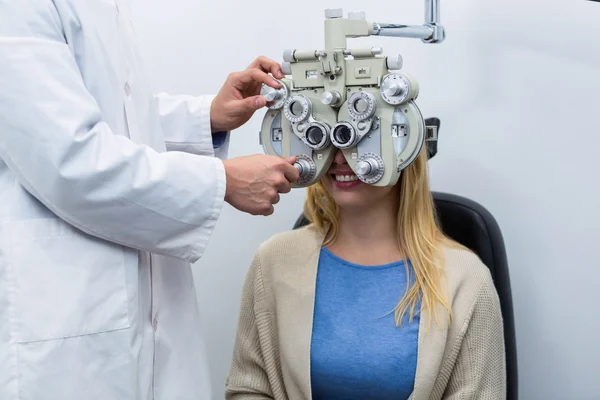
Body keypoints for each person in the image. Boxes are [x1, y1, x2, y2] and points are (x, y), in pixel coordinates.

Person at [0, 1, 298, 400]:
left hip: (140, 306)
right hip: (70, 320)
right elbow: (68, 159)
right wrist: (220, 181)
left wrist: (206, 116)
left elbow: (116, 114)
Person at [226, 147, 507, 399]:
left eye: (362, 137)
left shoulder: (466, 278)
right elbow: (248, 388)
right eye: (330, 138)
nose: (338, 157)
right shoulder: (274, 260)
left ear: (404, 143)